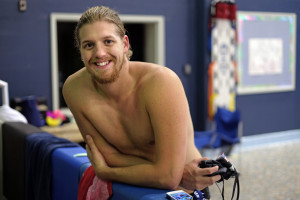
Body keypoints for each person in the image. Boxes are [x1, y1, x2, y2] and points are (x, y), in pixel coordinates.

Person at [63, 5, 220, 196]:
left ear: (125, 44)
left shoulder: (160, 83)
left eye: (108, 41)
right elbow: (106, 156)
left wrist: (107, 172)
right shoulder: (74, 90)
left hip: (184, 190)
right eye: (89, 45)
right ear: (80, 51)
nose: (99, 53)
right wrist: (163, 170)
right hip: (134, 188)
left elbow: (167, 177)